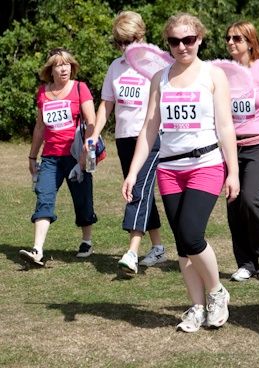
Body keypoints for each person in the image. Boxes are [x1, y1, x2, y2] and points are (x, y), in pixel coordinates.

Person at [122, 13, 239, 332]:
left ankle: (217, 292)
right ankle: (197, 307)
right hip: (170, 169)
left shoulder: (213, 75)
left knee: (191, 234)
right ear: (168, 43)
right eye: (175, 41)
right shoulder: (160, 77)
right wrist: (133, 172)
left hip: (206, 164)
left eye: (188, 39)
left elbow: (226, 126)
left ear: (200, 39)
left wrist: (234, 172)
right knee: (183, 244)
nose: (182, 46)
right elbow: (149, 128)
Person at [88, 11, 165, 275]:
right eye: (120, 42)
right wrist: (95, 132)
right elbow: (106, 104)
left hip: (152, 138)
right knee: (139, 190)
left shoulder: (157, 67)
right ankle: (157, 247)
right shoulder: (115, 67)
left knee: (136, 191)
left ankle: (132, 252)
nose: (125, 47)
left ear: (141, 37)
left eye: (129, 41)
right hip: (124, 138)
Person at [19, 48, 98, 265]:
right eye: (58, 65)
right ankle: (37, 250)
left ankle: (87, 240)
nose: (63, 68)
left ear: (71, 67)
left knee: (83, 200)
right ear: (50, 70)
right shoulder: (43, 92)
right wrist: (32, 157)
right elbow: (39, 127)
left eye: (66, 64)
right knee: (43, 197)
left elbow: (92, 123)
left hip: (76, 155)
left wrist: (87, 156)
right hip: (51, 158)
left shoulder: (80, 88)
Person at [224, 21, 259, 281]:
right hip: (230, 145)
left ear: (250, 42)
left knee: (251, 198)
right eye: (228, 38)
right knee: (234, 202)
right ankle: (246, 263)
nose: (231, 42)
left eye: (237, 38)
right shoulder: (223, 72)